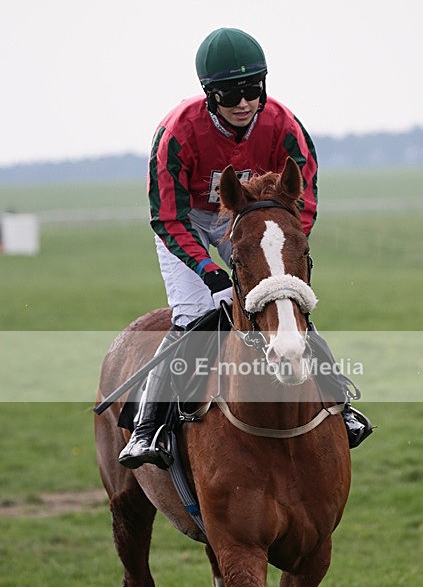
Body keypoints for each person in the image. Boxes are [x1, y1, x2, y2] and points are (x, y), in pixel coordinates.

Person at [119, 27, 371, 469]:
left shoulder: (285, 127)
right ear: (209, 95)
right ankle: (148, 426)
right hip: (191, 220)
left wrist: (285, 252)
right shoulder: (177, 134)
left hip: (253, 216)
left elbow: (303, 204)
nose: (243, 103)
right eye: (229, 95)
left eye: (253, 90)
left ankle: (341, 405)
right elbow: (167, 217)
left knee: (287, 303)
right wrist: (208, 269)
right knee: (194, 315)